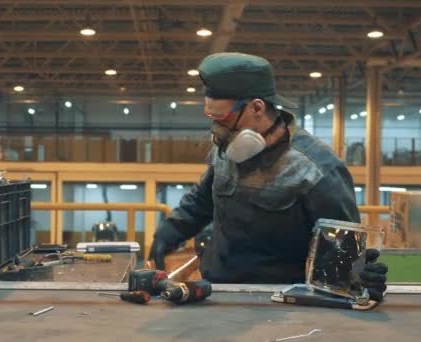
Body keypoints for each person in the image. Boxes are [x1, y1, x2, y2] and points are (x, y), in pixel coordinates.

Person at [148, 52, 388, 302]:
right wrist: (171, 229)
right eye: (211, 118)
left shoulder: (317, 170)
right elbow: (203, 199)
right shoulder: (226, 148)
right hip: (217, 290)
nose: (217, 131)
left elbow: (341, 255)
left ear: (257, 108)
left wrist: (354, 277)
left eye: (222, 118)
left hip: (278, 301)